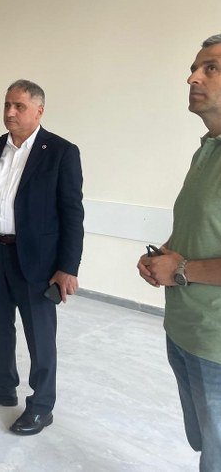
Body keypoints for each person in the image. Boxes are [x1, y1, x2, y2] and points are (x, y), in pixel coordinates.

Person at [0, 79, 84, 436]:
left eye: (19, 106)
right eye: (7, 105)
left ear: (39, 111)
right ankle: (2, 386)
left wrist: (67, 267)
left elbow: (72, 213)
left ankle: (42, 406)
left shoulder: (60, 151)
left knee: (40, 337)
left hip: (37, 262)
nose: (10, 112)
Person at [137, 34, 221, 471]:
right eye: (194, 68)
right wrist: (165, 255)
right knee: (204, 442)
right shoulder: (206, 149)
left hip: (216, 342)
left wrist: (182, 269)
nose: (193, 78)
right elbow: (200, 228)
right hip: (185, 329)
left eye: (211, 68)